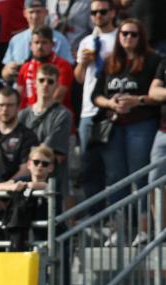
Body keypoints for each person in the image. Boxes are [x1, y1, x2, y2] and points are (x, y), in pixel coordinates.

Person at [91, 17, 160, 221]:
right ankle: (118, 227)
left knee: (139, 175)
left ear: (141, 37)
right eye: (124, 33)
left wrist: (136, 100)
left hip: (142, 123)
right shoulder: (110, 61)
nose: (128, 37)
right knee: (115, 177)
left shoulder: (153, 60)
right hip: (113, 125)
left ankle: (143, 225)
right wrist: (111, 104)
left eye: (133, 34)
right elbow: (95, 96)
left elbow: (156, 97)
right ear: (118, 36)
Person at [74, 0, 118, 200]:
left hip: (111, 109)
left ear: (112, 13)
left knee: (114, 169)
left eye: (102, 12)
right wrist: (82, 63)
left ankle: (118, 219)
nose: (98, 16)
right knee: (89, 167)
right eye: (94, 13)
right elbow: (79, 78)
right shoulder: (86, 41)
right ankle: (95, 218)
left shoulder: (121, 37)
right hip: (88, 110)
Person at [19, 63, 72, 200]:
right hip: (26, 179)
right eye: (41, 80)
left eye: (50, 81)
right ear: (35, 83)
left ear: (56, 85)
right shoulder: (23, 115)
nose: (45, 84)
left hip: (52, 181)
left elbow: (47, 152)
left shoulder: (63, 115)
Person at [0, 143, 56, 249]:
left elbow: (46, 186)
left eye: (44, 164)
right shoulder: (23, 180)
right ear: (28, 165)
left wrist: (27, 186)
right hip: (24, 235)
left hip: (48, 237)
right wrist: (12, 187)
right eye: (36, 162)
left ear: (50, 168)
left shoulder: (54, 182)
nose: (40, 166)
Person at [2, 0, 73, 82]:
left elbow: (69, 69)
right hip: (20, 88)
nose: (35, 16)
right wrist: (9, 70)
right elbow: (4, 74)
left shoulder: (59, 39)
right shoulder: (16, 40)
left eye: (39, 12)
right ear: (25, 13)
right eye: (31, 12)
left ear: (46, 12)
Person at [0, 87, 38, 181]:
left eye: (10, 105)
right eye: (1, 105)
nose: (4, 109)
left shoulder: (28, 137)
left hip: (13, 192)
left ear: (18, 107)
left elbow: (26, 170)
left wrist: (3, 187)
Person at [15, 26, 74, 111]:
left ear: (53, 45)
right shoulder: (25, 67)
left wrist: (38, 114)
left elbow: (58, 96)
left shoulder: (63, 65)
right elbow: (19, 95)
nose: (40, 46)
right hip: (29, 116)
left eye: (44, 42)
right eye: (36, 42)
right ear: (30, 45)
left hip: (55, 115)